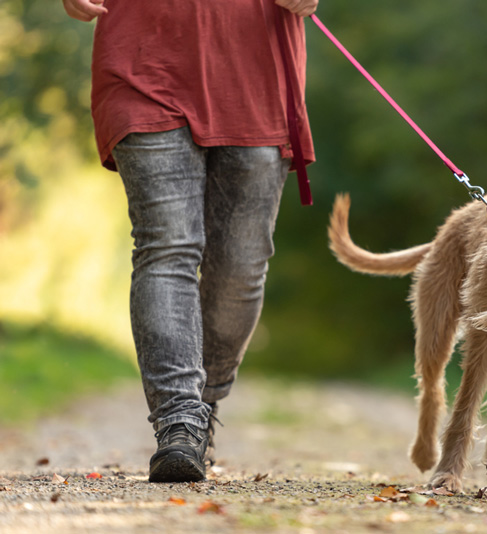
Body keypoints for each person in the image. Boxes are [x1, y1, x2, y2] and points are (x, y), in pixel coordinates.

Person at [62, 0, 319, 482]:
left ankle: (204, 401)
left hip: (255, 74)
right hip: (142, 62)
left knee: (241, 265)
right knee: (166, 246)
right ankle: (179, 422)